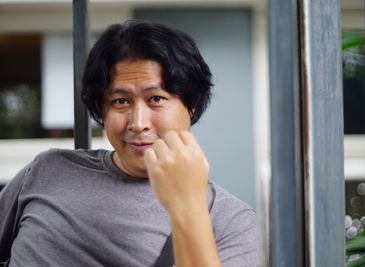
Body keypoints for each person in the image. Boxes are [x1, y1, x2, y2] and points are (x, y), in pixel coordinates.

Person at [0, 20, 260, 267]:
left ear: (190, 105)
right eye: (120, 101)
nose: (137, 123)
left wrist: (188, 203)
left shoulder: (230, 220)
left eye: (156, 99)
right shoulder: (47, 170)